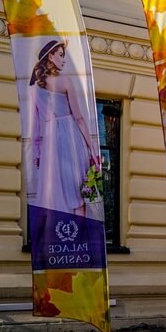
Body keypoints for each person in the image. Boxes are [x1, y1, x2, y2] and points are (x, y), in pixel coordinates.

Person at [29, 40, 101, 217]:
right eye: (61, 55)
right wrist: (91, 149)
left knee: (54, 193)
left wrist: (37, 153)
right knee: (77, 193)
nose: (64, 59)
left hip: (50, 143)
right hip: (71, 138)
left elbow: (35, 128)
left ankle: (57, 238)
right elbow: (79, 118)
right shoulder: (66, 81)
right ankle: (78, 240)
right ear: (50, 57)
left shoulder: (33, 89)